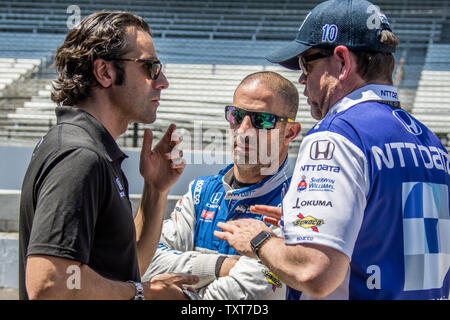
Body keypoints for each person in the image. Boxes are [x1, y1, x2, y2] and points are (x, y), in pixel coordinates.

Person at [215, 0, 450, 300]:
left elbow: (315, 272)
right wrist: (311, 224)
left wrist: (259, 240)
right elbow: (386, 239)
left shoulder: (338, 134)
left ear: (341, 61)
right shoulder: (432, 144)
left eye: (306, 64)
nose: (301, 79)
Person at [18, 11, 198, 300]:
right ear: (104, 72)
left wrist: (155, 191)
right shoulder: (79, 155)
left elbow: (123, 271)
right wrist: (145, 293)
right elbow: (51, 282)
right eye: (151, 67)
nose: (163, 81)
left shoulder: (89, 149)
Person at [142, 71, 301, 299]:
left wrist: (177, 293)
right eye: (236, 115)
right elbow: (145, 262)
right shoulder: (200, 191)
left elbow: (250, 293)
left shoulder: (294, 206)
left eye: (262, 120)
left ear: (290, 132)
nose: (244, 130)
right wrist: (221, 265)